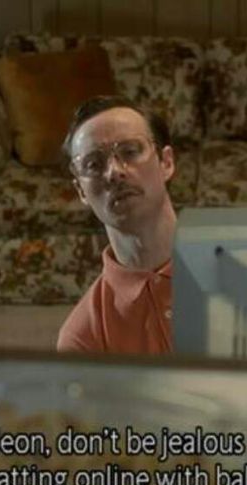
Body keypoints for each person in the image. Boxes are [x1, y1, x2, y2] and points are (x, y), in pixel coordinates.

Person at [56, 95, 177, 354]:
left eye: (130, 151)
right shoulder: (83, 338)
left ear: (166, 163)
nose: (114, 172)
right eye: (94, 164)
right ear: (81, 191)